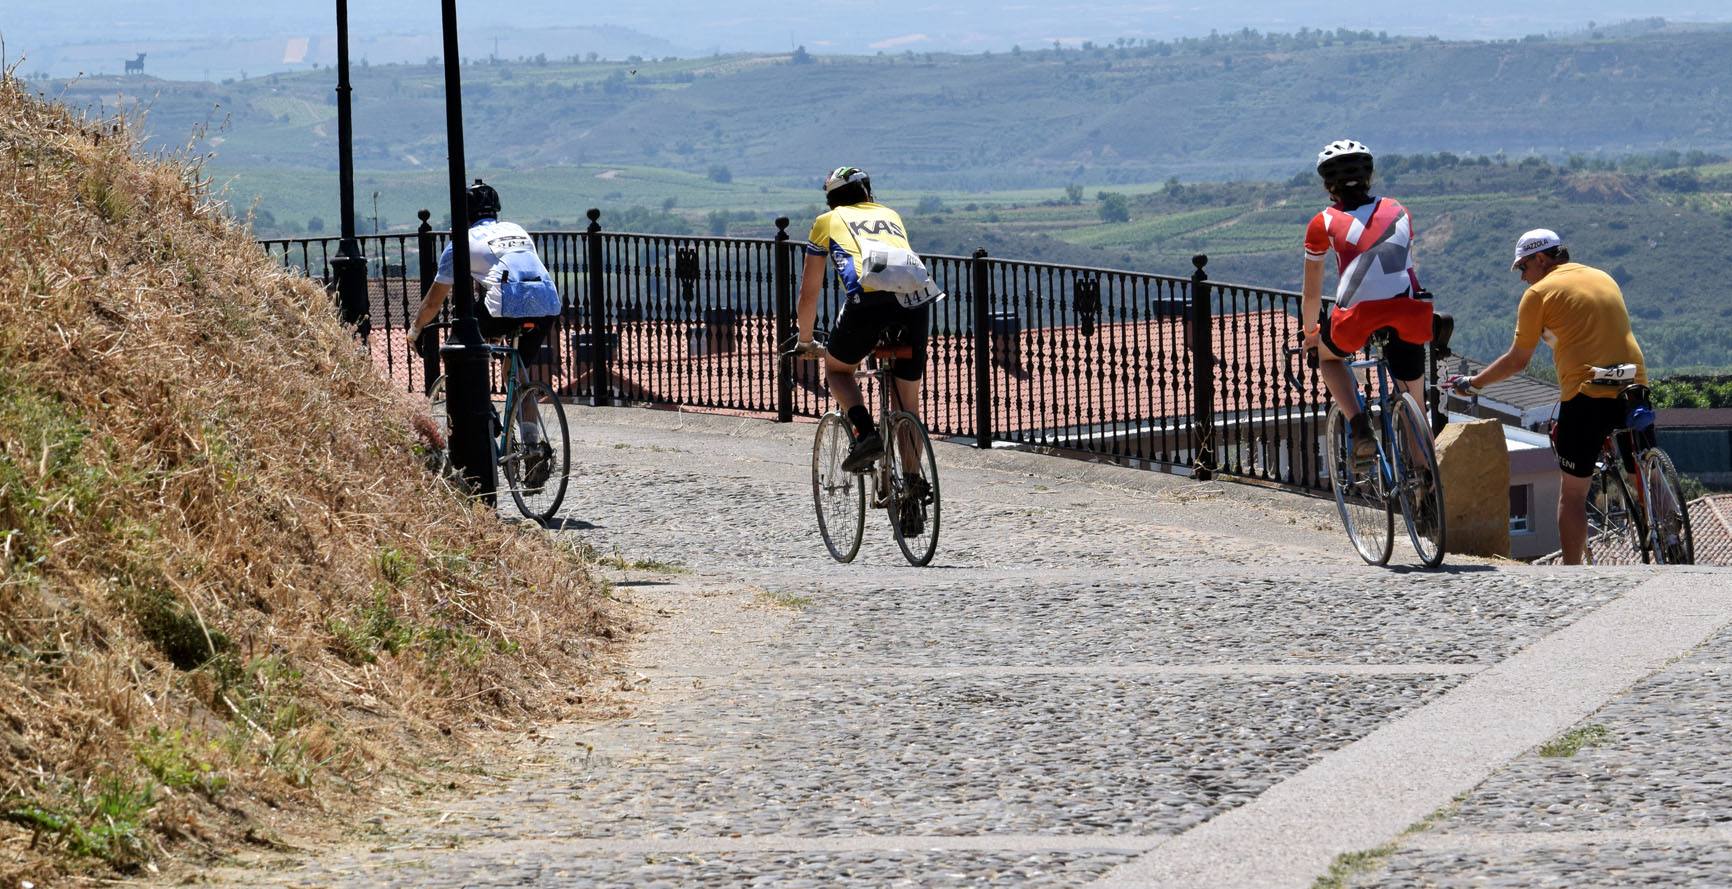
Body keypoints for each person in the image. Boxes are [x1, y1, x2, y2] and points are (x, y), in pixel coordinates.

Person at [1449, 229, 1647, 565]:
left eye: (1523, 268)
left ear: (1541, 259)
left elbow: (1518, 360)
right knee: (1643, 472)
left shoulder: (1538, 295)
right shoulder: (1602, 276)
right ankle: (1666, 528)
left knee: (1572, 494)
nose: (1523, 278)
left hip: (1586, 393)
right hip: (1634, 382)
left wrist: (1475, 383)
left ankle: (1571, 575)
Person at [793, 166, 944, 532]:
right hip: (916, 300)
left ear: (831, 198)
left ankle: (865, 433)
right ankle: (911, 492)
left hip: (869, 302)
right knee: (908, 404)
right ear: (867, 191)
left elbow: (809, 291)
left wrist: (804, 340)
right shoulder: (890, 215)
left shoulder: (827, 220)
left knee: (838, 370)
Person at [407, 179, 563, 485]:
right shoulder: (517, 230)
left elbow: (434, 301)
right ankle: (531, 447)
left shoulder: (460, 244)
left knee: (463, 346)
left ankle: (486, 417)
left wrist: (416, 330)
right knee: (515, 370)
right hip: (547, 303)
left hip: (505, 305)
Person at [1300, 140, 1435, 464]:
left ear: (1328, 185)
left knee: (1328, 359)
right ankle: (1428, 485)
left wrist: (1310, 334)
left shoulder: (1323, 222)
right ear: (1369, 177)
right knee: (1414, 401)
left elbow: (1311, 294)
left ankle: (1360, 426)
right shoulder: (1398, 209)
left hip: (1355, 319)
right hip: (1410, 313)